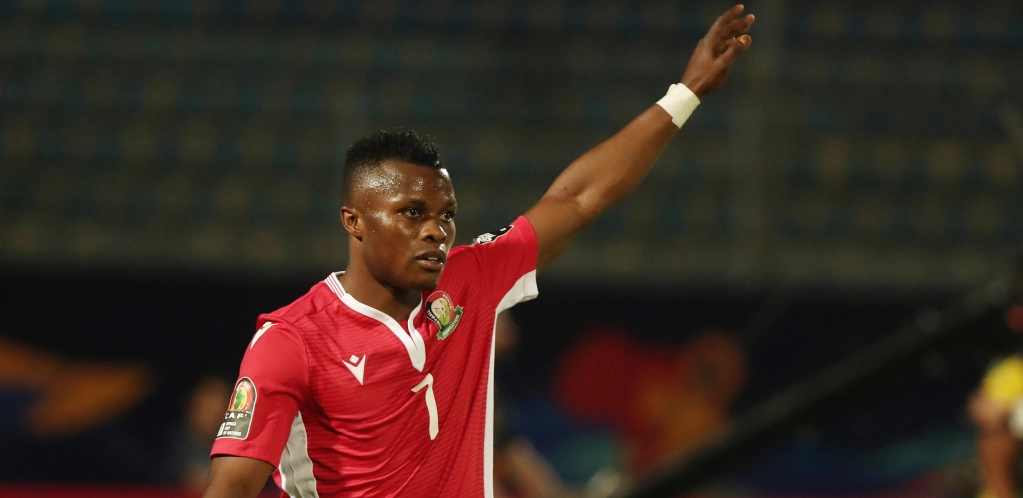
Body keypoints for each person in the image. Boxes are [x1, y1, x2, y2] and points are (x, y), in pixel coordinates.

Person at [203, 6, 755, 497]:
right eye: (411, 213)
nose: (435, 231)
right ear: (355, 221)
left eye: (446, 215)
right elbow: (231, 487)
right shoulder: (293, 341)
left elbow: (578, 198)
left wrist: (685, 94)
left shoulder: (469, 280)